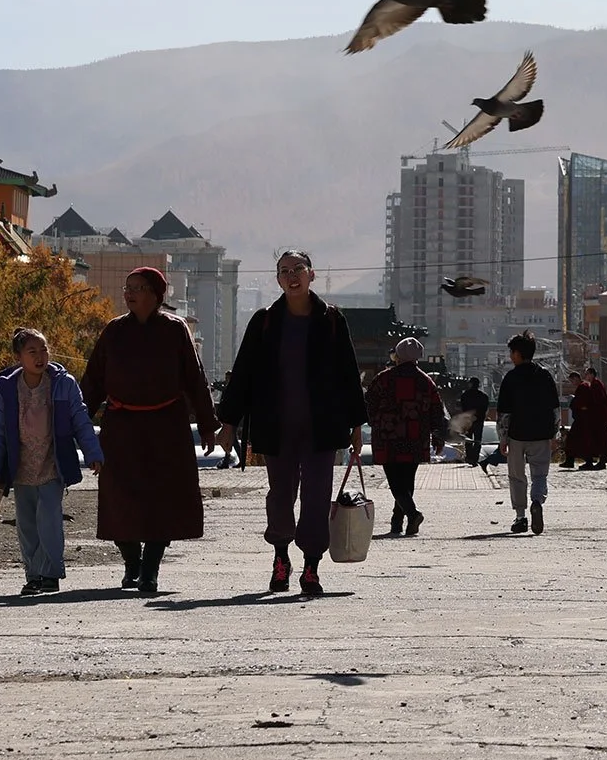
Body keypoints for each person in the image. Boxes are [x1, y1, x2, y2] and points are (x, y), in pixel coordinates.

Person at [218, 250, 368, 595]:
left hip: (322, 428)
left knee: (317, 498)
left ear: (311, 274)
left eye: (298, 268)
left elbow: (348, 373)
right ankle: (281, 557)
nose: (292, 275)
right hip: (276, 426)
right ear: (278, 280)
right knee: (280, 496)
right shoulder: (265, 321)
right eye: (284, 271)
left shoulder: (331, 320)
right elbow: (243, 373)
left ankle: (311, 567)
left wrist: (358, 424)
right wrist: (229, 422)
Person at [81, 266, 220, 596]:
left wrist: (206, 423)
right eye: (127, 287)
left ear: (157, 294)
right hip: (121, 427)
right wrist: (76, 422)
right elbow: (93, 381)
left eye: (138, 287)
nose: (129, 293)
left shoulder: (175, 330)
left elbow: (194, 378)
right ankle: (132, 561)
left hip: (166, 427)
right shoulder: (114, 331)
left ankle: (150, 570)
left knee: (163, 500)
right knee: (118, 498)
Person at [0, 327, 105, 595]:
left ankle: (49, 574)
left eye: (44, 350)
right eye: (32, 351)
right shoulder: (7, 389)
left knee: (48, 519)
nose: (40, 356)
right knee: (26, 524)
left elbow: (81, 420)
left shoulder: (63, 384)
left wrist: (93, 453)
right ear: (18, 357)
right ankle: (33, 575)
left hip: (52, 464)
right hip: (20, 466)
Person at [364, 335, 446, 537]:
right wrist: (438, 436)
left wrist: (374, 423)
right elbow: (437, 410)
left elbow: (368, 405)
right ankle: (398, 522)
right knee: (407, 480)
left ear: (397, 356)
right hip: (416, 438)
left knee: (395, 481)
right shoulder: (426, 382)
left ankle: (412, 513)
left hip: (388, 437)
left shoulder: (383, 378)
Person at [494, 334, 559, 533]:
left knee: (516, 476)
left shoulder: (511, 378)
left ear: (517, 353)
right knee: (540, 474)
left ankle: (520, 517)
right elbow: (555, 408)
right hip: (541, 433)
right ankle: (537, 502)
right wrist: (554, 434)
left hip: (517, 434)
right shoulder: (545, 375)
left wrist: (503, 438)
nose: (510, 356)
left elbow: (504, 413)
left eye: (511, 352)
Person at [567, 366, 607, 470]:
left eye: (587, 374)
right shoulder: (592, 385)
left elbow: (598, 401)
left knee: (600, 439)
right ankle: (601, 460)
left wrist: (587, 407)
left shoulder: (596, 385)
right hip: (597, 417)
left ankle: (601, 461)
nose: (586, 376)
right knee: (599, 439)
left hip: (600, 417)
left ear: (592, 374)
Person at [456, 377, 491, 468]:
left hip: (468, 421)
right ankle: (474, 459)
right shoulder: (484, 396)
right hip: (479, 421)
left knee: (468, 439)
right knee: (478, 440)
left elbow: (462, 408)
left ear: (470, 384)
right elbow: (485, 408)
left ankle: (470, 457)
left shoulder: (465, 395)